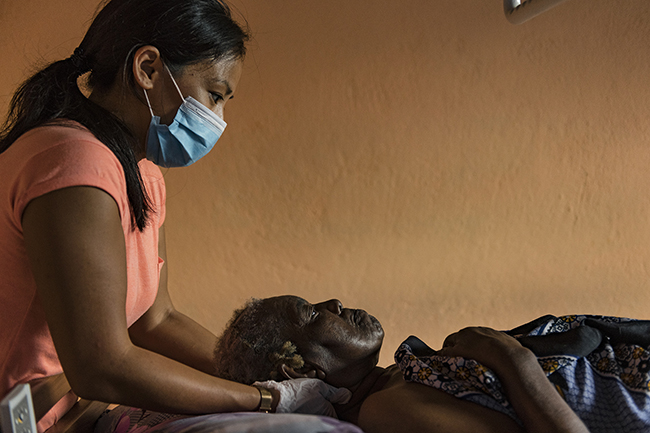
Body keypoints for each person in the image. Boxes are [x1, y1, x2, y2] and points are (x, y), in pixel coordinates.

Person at [0, 1, 349, 431]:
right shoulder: (75, 164)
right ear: (147, 68)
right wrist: (265, 399)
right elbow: (101, 365)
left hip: (72, 414)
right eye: (214, 95)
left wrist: (254, 377)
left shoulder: (140, 173)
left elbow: (155, 320)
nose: (217, 119)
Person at [214, 295, 650, 433]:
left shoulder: (397, 380)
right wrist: (509, 356)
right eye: (310, 314)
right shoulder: (384, 408)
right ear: (302, 370)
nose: (335, 303)